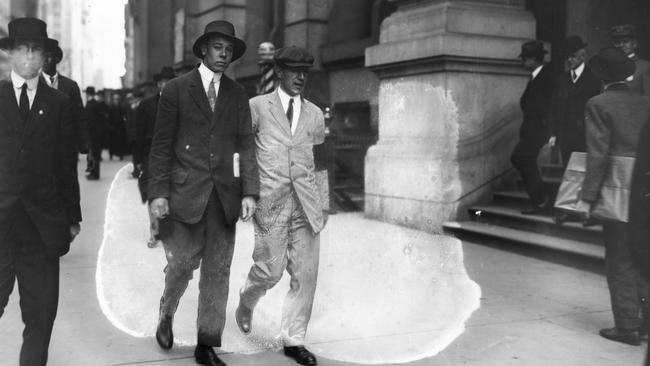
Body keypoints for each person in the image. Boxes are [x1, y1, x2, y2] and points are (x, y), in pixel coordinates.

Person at [148, 20, 258, 366]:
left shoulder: (238, 95)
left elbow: (245, 147)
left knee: (218, 270)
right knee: (180, 265)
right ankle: (167, 310)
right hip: (184, 195)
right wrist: (158, 193)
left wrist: (249, 192)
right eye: (217, 47)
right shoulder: (177, 90)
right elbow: (161, 146)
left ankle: (206, 343)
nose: (223, 55)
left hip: (224, 198)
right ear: (203, 50)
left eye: (228, 49)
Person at [235, 46, 330, 366]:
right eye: (294, 71)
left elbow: (321, 161)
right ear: (280, 73)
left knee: (305, 274)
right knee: (268, 271)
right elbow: (244, 153)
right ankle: (247, 301)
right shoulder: (257, 107)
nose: (301, 77)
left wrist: (324, 204)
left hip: (306, 205)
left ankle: (294, 340)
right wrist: (246, 193)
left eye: (305, 72)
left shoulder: (315, 114)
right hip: (271, 202)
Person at [0, 17, 80, 366]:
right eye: (23, 49)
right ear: (10, 54)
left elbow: (65, 165)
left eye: (37, 51)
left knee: (41, 313)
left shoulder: (59, 103)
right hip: (0, 224)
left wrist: (72, 216)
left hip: (40, 224)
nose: (31, 58)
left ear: (46, 57)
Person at [580, 47, 650, 346]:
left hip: (619, 186)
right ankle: (644, 323)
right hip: (645, 184)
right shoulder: (646, 102)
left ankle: (626, 326)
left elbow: (598, 155)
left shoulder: (598, 103)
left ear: (600, 76)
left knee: (619, 256)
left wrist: (586, 197)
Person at [42, 39, 85, 225]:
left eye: (51, 56)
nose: (47, 60)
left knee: (67, 187)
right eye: (44, 56)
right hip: (40, 150)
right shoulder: (32, 86)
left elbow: (80, 117)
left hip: (66, 150)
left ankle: (69, 225)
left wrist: (83, 145)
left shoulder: (70, 86)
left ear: (57, 59)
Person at [510, 40, 555, 215]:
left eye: (525, 59)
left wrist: (551, 132)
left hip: (538, 131)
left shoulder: (545, 77)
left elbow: (550, 106)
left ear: (533, 60)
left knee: (520, 158)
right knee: (522, 159)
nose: (523, 63)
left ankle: (541, 199)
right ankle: (542, 199)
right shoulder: (536, 76)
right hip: (531, 131)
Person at [134, 66, 175, 248]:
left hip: (175, 155)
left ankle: (168, 231)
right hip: (151, 154)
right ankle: (154, 232)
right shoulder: (147, 105)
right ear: (158, 84)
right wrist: (137, 162)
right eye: (163, 82)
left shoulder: (180, 104)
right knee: (153, 192)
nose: (166, 85)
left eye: (170, 82)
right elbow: (139, 134)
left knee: (172, 193)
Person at [610, 24, 650, 96]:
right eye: (617, 42)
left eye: (625, 41)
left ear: (634, 44)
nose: (621, 45)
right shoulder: (609, 66)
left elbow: (648, 99)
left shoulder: (645, 67)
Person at [84, 86, 108, 180]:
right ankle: (94, 173)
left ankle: (94, 174)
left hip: (92, 134)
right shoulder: (96, 104)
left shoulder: (90, 104)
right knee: (95, 155)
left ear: (88, 94)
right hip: (97, 134)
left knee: (93, 155)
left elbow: (90, 121)